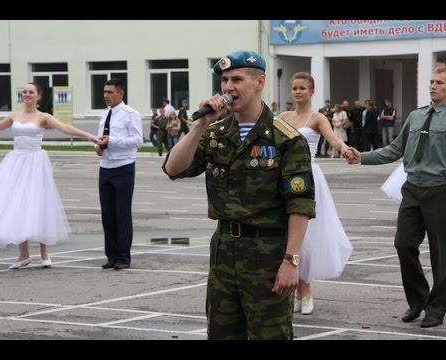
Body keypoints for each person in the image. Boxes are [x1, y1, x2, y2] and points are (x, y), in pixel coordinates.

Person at [162, 50, 316, 340]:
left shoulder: (286, 138)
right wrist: (199, 126)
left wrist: (291, 261)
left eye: (237, 79)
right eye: (224, 80)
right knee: (222, 333)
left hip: (268, 253)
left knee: (270, 335)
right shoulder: (216, 132)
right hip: (224, 251)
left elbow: (300, 205)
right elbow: (173, 168)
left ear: (260, 82)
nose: (228, 87)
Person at [347, 66, 446, 328]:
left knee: (440, 253)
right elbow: (394, 149)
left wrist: (445, 170)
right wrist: (362, 157)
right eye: (431, 82)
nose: (433, 86)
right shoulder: (415, 117)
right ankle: (418, 300)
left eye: (439, 83)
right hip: (412, 189)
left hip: (439, 191)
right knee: (404, 245)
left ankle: (436, 308)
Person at [0, 82, 97, 269]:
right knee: (17, 203)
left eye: (31, 92)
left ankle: (44, 252)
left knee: (38, 203)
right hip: (15, 161)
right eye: (24, 92)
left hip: (35, 163)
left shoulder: (43, 117)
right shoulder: (14, 115)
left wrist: (88, 136)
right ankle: (23, 254)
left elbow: (65, 128)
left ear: (38, 96)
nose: (27, 94)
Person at [279, 72, 353, 315]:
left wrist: (345, 150)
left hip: (308, 179)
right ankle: (296, 292)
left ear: (312, 91)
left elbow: (333, 139)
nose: (298, 91)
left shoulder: (317, 117)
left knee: (307, 238)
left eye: (303, 88)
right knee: (287, 235)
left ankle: (306, 291)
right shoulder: (282, 117)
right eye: (294, 87)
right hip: (284, 179)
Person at [95, 78, 143, 270]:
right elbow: (101, 138)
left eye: (110, 92)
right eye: (105, 92)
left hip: (123, 167)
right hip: (105, 167)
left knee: (121, 213)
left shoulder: (130, 114)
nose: (106, 95)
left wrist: (112, 140)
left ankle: (123, 257)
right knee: (107, 214)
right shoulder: (103, 114)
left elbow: (138, 140)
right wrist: (98, 146)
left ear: (120, 94)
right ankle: (111, 255)